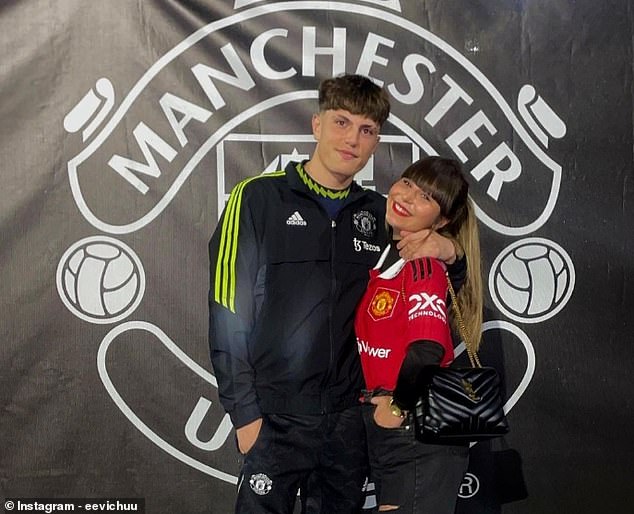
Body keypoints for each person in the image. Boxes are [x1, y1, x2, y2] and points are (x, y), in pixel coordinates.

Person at [208, 74, 464, 514]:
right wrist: (245, 413)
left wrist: (451, 252)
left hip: (349, 421)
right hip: (275, 416)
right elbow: (227, 310)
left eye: (367, 130)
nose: (352, 140)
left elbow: (431, 287)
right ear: (316, 124)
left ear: (376, 142)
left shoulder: (380, 215)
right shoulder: (258, 199)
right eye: (341, 122)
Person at [354, 156, 483, 513]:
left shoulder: (424, 266)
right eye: (408, 183)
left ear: (442, 221)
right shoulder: (389, 253)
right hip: (395, 432)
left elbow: (428, 349)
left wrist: (397, 406)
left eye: (426, 197)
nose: (408, 197)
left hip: (416, 429)